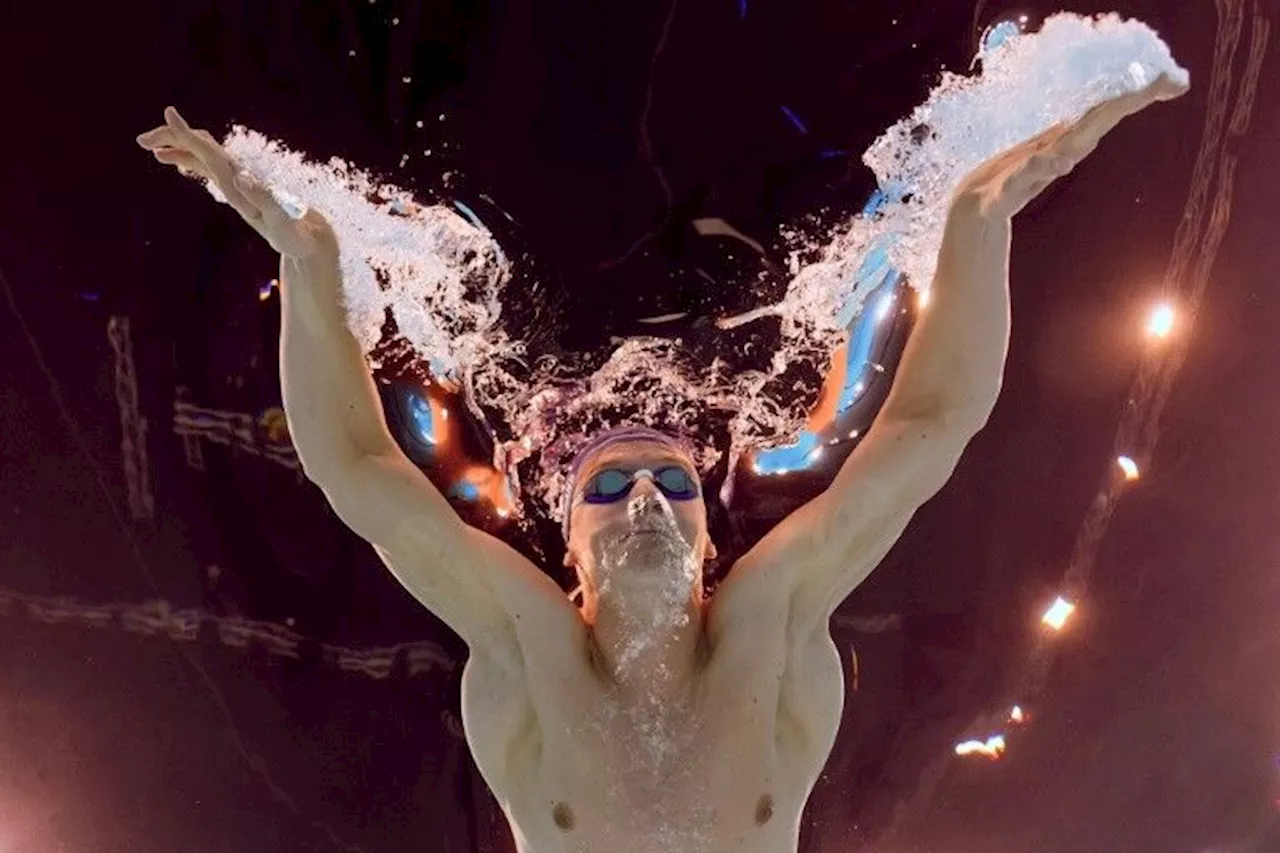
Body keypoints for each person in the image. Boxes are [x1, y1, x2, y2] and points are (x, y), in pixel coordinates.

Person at [137, 74, 1185, 853]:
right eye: (614, 483)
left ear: (702, 545)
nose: (645, 495)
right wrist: (308, 260)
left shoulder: (765, 618)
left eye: (670, 483)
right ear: (573, 553)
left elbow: (927, 427)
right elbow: (359, 467)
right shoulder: (533, 641)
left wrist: (977, 214)